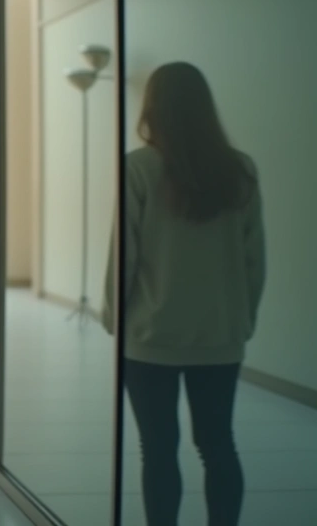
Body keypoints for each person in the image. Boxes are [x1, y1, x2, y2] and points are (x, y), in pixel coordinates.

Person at [102, 62, 265, 526]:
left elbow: (124, 257)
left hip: (150, 337)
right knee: (218, 445)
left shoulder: (138, 167)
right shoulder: (240, 169)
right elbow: (254, 259)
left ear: (152, 108)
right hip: (220, 335)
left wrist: (115, 319)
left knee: (157, 449)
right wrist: (242, 320)